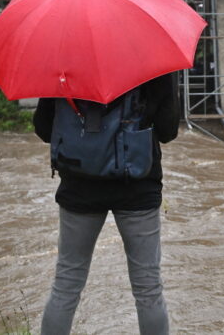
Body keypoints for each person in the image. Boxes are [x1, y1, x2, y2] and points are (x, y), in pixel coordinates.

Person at [35, 72, 180, 335]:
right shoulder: (154, 59)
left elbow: (44, 129)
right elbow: (168, 130)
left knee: (66, 284)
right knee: (148, 290)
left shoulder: (63, 59)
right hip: (137, 182)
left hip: (79, 185)